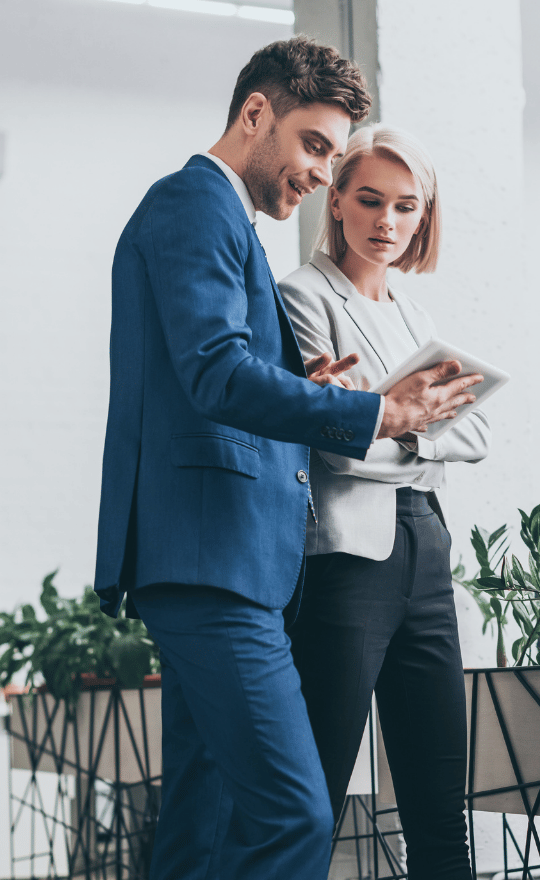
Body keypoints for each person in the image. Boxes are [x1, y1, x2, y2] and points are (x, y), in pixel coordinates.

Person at [94, 38, 482, 880]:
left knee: (203, 828)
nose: (319, 173)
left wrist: (298, 381)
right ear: (256, 113)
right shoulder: (196, 204)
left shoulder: (221, 216)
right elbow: (214, 374)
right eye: (315, 146)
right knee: (295, 817)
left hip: (224, 561)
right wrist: (374, 410)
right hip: (212, 559)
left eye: (333, 154)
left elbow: (215, 371)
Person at [279, 124, 490, 880]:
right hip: (345, 562)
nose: (388, 223)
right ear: (334, 199)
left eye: (407, 207)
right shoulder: (299, 299)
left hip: (425, 554)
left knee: (440, 805)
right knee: (316, 797)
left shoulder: (415, 317)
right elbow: (334, 444)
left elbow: (479, 435)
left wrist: (397, 426)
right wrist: (405, 422)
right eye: (369, 200)